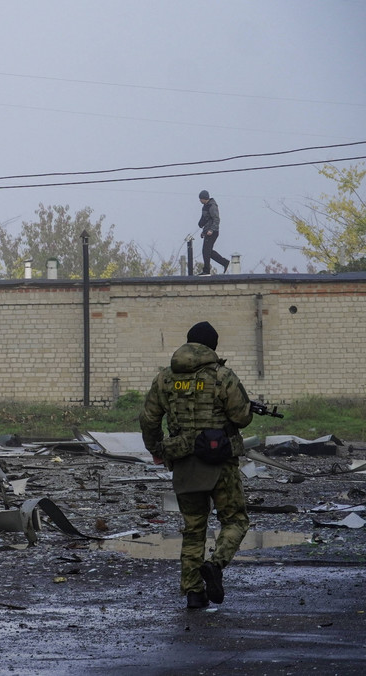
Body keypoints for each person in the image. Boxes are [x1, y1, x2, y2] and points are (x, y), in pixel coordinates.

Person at [139, 321, 253, 609]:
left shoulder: (165, 378)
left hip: (184, 461)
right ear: (213, 347)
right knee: (235, 520)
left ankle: (193, 592)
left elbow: (149, 419)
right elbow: (241, 417)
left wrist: (157, 449)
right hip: (221, 461)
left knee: (193, 529)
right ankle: (215, 564)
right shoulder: (223, 376)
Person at [197, 190, 229, 275]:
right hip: (207, 231)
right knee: (208, 251)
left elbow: (216, 219)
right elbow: (205, 219)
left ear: (204, 198)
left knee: (206, 251)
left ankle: (206, 271)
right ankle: (224, 262)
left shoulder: (212, 206)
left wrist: (211, 230)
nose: (200, 201)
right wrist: (201, 227)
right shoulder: (205, 206)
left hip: (213, 232)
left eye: (200, 199)